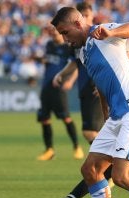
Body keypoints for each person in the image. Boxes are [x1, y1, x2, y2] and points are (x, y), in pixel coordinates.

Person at [51, 7, 129, 198]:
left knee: (122, 177)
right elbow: (102, 85)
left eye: (65, 32)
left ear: (78, 24)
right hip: (116, 118)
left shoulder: (103, 32)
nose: (65, 39)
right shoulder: (83, 52)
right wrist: (106, 116)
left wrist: (111, 32)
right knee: (90, 170)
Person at [53, 3, 112, 198]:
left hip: (98, 91)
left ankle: (107, 168)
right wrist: (64, 76)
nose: (64, 38)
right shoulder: (80, 43)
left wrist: (102, 81)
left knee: (91, 135)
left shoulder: (100, 35)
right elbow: (75, 63)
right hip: (87, 89)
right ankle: (105, 169)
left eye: (88, 14)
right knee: (94, 159)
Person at [36, 26, 84, 161]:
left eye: (55, 32)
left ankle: (77, 147)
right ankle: (49, 150)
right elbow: (48, 61)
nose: (52, 34)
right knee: (44, 119)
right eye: (50, 32)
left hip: (59, 86)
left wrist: (70, 80)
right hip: (46, 86)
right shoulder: (49, 45)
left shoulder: (68, 47)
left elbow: (75, 65)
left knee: (66, 118)